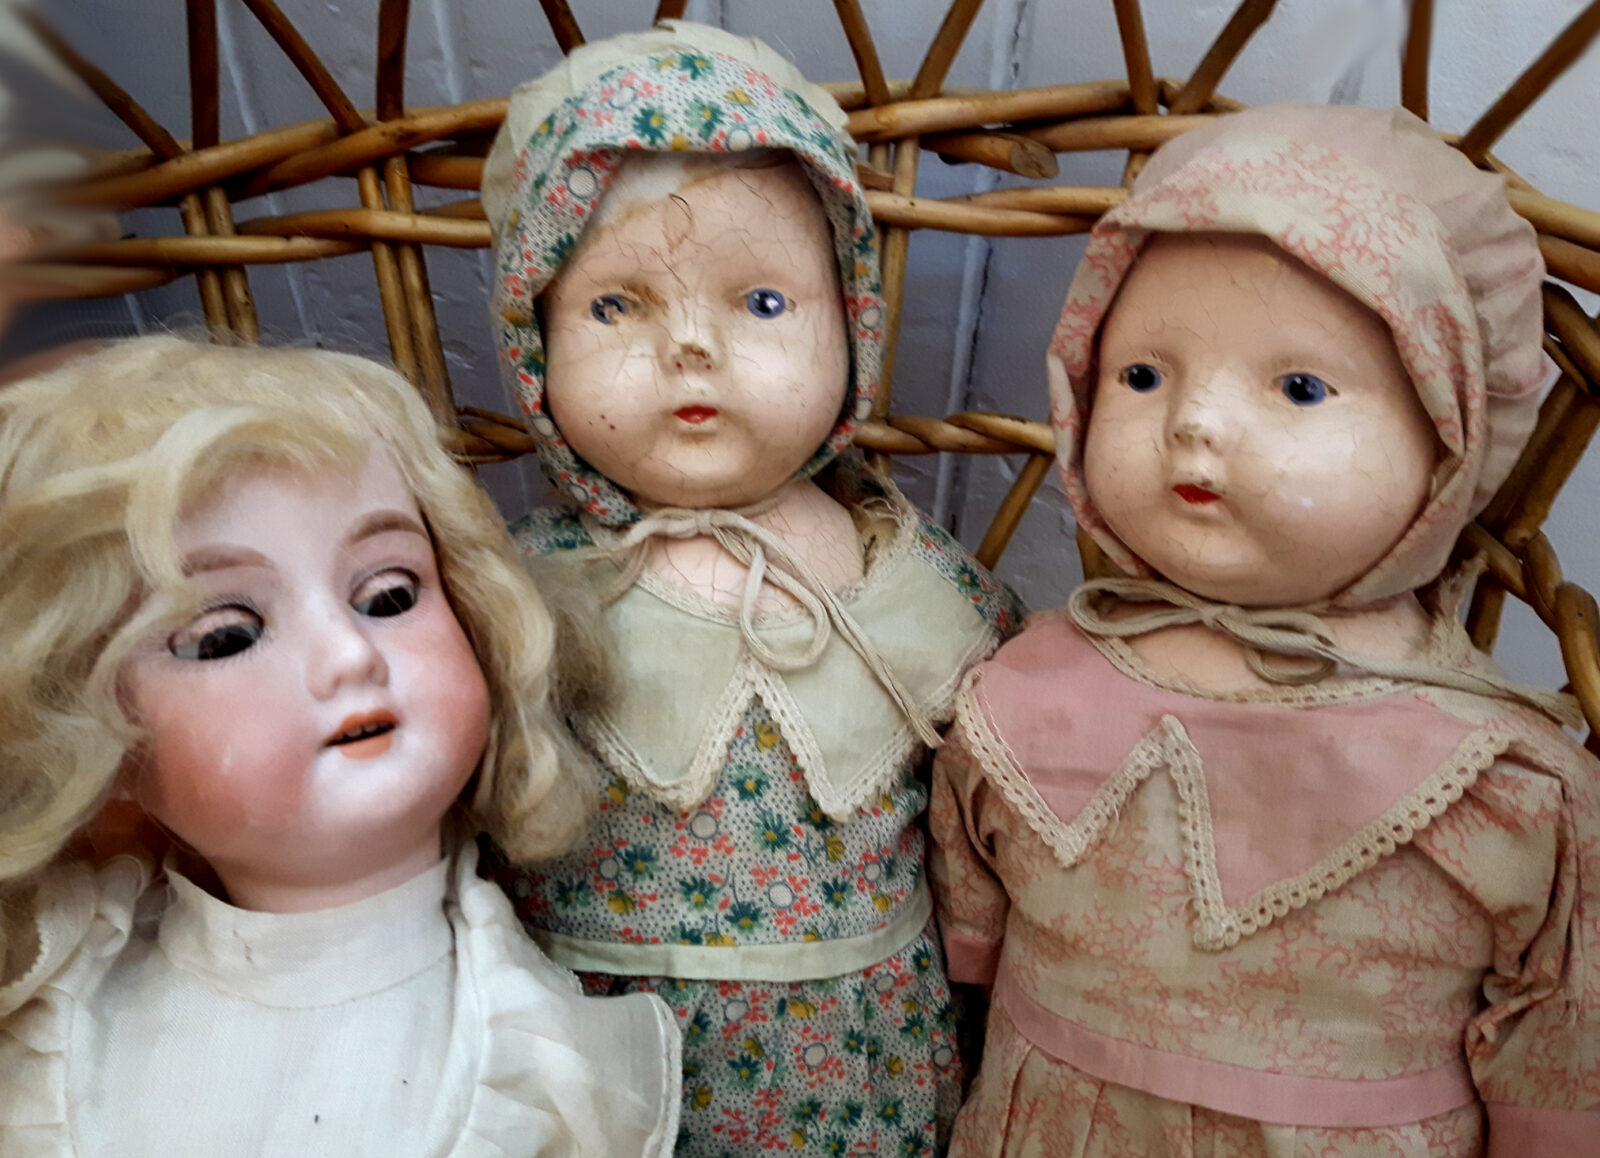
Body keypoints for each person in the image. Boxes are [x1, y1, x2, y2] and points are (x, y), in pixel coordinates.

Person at [930, 104, 1600, 1156]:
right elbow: (962, 964)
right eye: (1141, 375)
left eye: (1297, 387)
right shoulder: (1021, 685)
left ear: (1451, 443)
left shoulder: (1502, 778)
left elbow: (1556, 1058)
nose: (1193, 424)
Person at [480, 21, 1020, 1156]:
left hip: (864, 1073)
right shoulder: (510, 592)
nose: (691, 350)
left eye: (761, 304)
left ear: (851, 325)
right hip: (599, 1071)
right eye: (614, 307)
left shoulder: (914, 590)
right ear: (532, 345)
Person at [0, 335, 681, 1157]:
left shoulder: (539, 1060)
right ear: (91, 736)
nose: (350, 655)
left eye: (389, 594)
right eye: (226, 636)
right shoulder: (65, 1005)